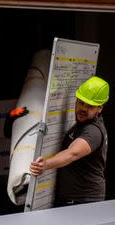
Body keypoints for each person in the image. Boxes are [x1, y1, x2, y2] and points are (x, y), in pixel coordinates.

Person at [30, 76, 109, 206]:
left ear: (100, 108)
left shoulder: (93, 131)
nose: (83, 108)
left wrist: (46, 164)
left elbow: (73, 153)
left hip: (84, 201)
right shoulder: (81, 124)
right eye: (81, 102)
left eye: (90, 106)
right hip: (76, 199)